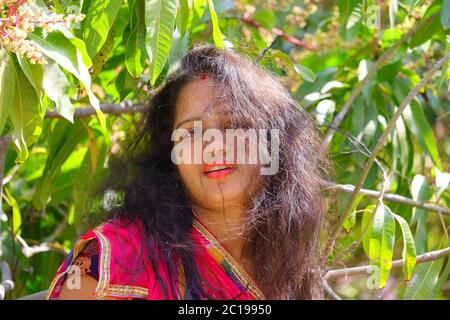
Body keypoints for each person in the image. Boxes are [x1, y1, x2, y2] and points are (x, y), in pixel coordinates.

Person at [46, 43, 330, 300]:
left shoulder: (288, 260)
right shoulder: (109, 260)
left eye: (234, 127)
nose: (213, 147)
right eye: (192, 132)